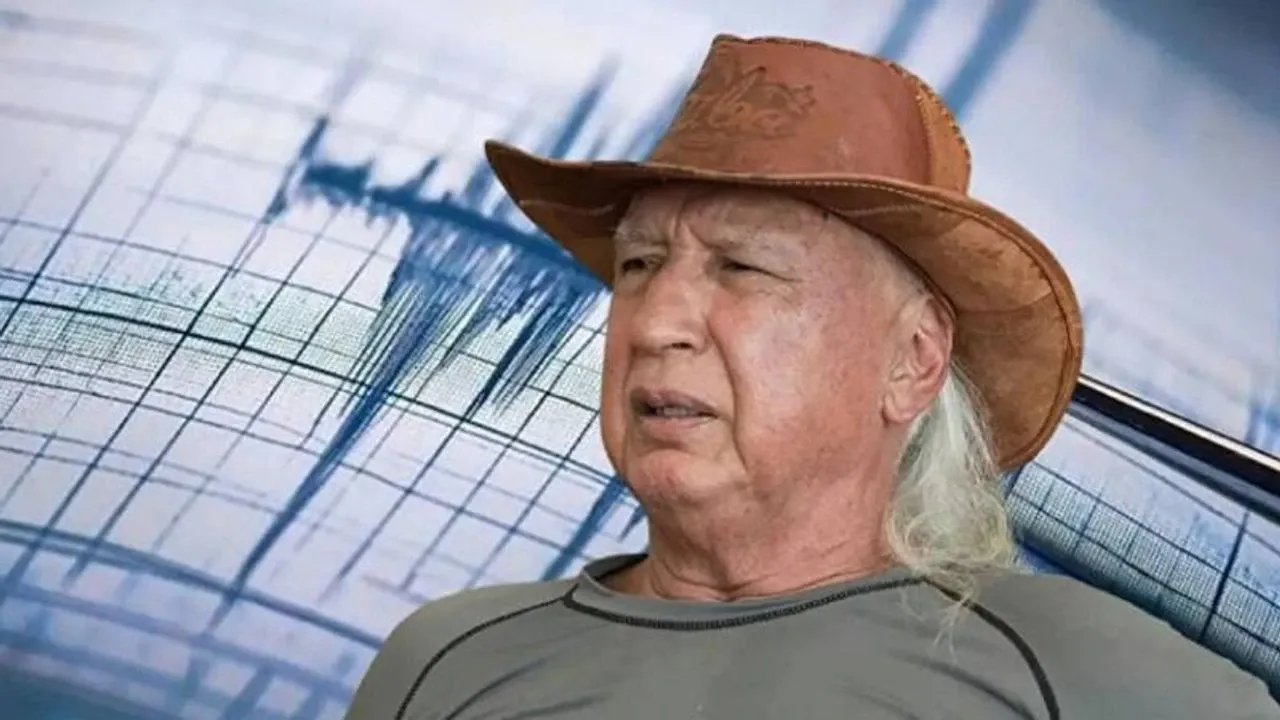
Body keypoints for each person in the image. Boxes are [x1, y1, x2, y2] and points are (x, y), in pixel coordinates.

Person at [345, 34, 1278, 719]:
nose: (656, 323)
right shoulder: (445, 662)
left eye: (741, 268)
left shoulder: (1074, 670)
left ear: (913, 360)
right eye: (638, 265)